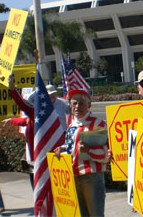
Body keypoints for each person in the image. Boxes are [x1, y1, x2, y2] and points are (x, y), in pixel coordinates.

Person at [54, 89, 108, 217]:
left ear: (88, 105)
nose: (77, 107)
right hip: (73, 176)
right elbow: (72, 146)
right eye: (74, 103)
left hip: (91, 177)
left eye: (82, 103)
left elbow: (105, 155)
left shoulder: (97, 123)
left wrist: (89, 150)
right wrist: (63, 148)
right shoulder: (72, 123)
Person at [3, 74, 36, 188]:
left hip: (38, 155)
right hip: (33, 155)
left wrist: (12, 88)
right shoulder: (34, 116)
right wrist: (11, 121)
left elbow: (21, 104)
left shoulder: (38, 114)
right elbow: (25, 121)